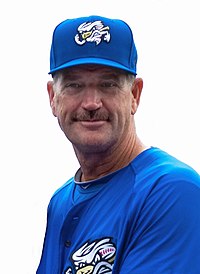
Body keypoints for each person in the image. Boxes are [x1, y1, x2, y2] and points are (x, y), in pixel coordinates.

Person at [36, 15, 200, 274]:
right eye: (74, 85)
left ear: (135, 95)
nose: (91, 103)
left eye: (108, 84)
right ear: (53, 98)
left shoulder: (172, 191)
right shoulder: (60, 202)